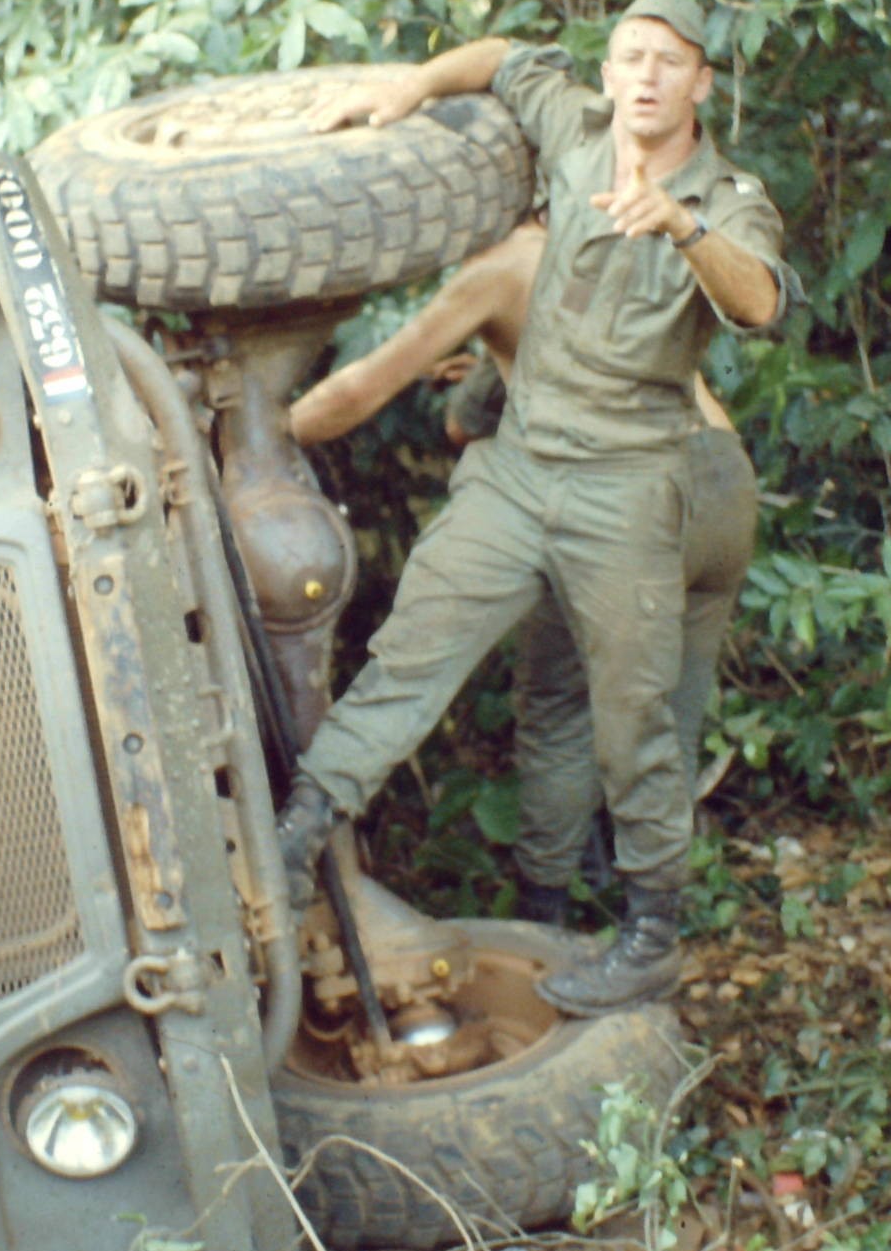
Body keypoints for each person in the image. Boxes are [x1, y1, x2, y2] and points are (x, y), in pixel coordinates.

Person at [276, 0, 797, 1016]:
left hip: (630, 483)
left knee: (633, 715)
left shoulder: (729, 195)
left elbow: (764, 303)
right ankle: (297, 841)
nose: (645, 76)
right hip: (518, 474)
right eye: (630, 56)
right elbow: (506, 58)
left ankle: (650, 931)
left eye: (669, 61)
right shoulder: (576, 120)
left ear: (702, 81)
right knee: (412, 651)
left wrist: (685, 227)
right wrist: (413, 84)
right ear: (608, 72)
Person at [288, 225, 761, 923]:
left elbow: (370, 397)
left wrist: (243, 442)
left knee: (560, 706)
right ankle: (645, 924)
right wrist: (492, 359)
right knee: (666, 713)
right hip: (722, 484)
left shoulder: (499, 269)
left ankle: (547, 916)